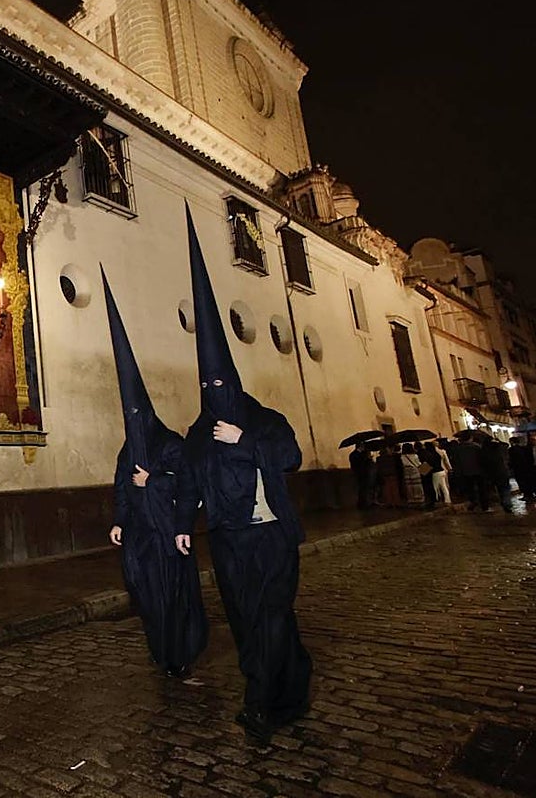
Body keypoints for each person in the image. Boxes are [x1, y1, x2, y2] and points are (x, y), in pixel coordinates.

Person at [175, 204, 311, 746]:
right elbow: (187, 482)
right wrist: (185, 521)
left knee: (273, 614)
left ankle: (263, 700)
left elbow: (293, 456)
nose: (214, 398)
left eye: (220, 387)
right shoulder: (195, 432)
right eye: (206, 390)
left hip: (272, 536)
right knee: (246, 618)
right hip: (229, 541)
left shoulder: (265, 420)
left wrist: (246, 442)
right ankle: (289, 682)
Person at [102, 268, 208, 678]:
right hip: (142, 540)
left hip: (168, 538)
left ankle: (180, 650)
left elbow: (187, 485)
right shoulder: (130, 447)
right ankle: (161, 648)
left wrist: (156, 483)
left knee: (173, 596)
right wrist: (119, 521)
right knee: (146, 597)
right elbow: (121, 488)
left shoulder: (170, 445)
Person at [448, 433, 489, 511]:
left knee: (470, 489)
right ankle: (484, 505)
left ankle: (473, 502)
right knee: (482, 489)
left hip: (465, 472)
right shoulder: (476, 447)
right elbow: (482, 459)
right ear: (470, 438)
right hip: (478, 471)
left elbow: (456, 461)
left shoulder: (458, 449)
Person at [481, 436, 513, 513]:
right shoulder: (499, 448)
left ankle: (500, 502)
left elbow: (482, 463)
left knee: (497, 489)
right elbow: (506, 445)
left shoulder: (483, 451)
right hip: (502, 472)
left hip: (490, 473)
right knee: (505, 488)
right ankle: (506, 504)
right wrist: (498, 440)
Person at [508, 436, 535, 502]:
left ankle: (527, 496)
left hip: (518, 469)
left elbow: (512, 461)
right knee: (527, 482)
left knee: (522, 482)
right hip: (527, 468)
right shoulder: (524, 448)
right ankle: (529, 495)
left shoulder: (512, 450)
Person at [349, 443, 374, 510]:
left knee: (364, 489)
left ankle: (364, 503)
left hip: (363, 474)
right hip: (360, 474)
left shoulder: (358, 454)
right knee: (362, 489)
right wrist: (366, 459)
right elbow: (358, 464)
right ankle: (362, 504)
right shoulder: (355, 455)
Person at [428, 440, 452, 505]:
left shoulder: (430, 453)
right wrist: (450, 468)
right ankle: (447, 500)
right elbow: (447, 461)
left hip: (436, 471)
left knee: (436, 487)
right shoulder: (442, 451)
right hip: (443, 470)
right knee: (445, 486)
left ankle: (438, 499)